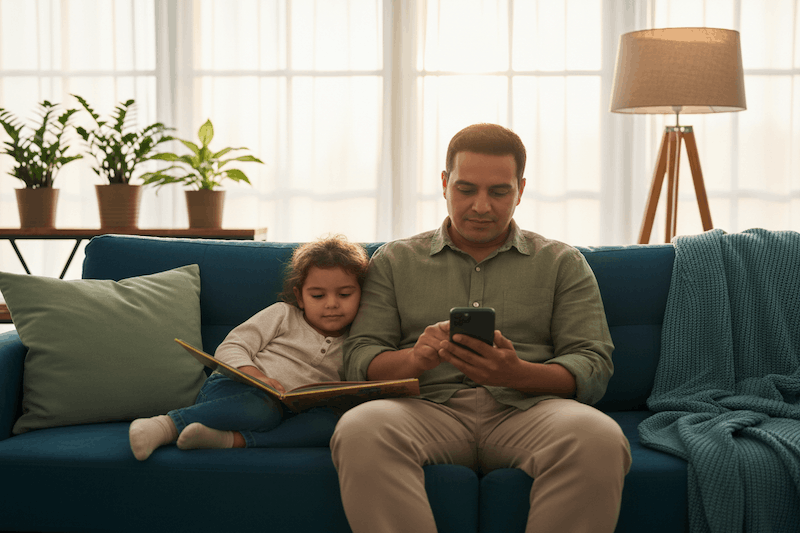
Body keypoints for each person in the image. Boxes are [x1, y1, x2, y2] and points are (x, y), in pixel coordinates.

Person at [330, 123, 632, 533]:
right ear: (444, 183)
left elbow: (593, 365)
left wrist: (516, 374)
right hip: (425, 408)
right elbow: (359, 361)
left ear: (520, 190)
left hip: (528, 409)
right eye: (466, 189)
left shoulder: (562, 262)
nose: (481, 206)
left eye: (499, 191)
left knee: (599, 438)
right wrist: (416, 358)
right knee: (359, 429)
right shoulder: (394, 261)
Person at [129, 234, 369, 461]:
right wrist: (255, 375)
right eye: (317, 296)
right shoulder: (283, 314)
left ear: (363, 295)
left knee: (334, 424)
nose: (332, 304)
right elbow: (232, 346)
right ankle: (166, 425)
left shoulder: (358, 340)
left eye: (345, 294)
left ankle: (230, 440)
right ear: (299, 296)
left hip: (293, 411)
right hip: (234, 389)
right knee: (261, 409)